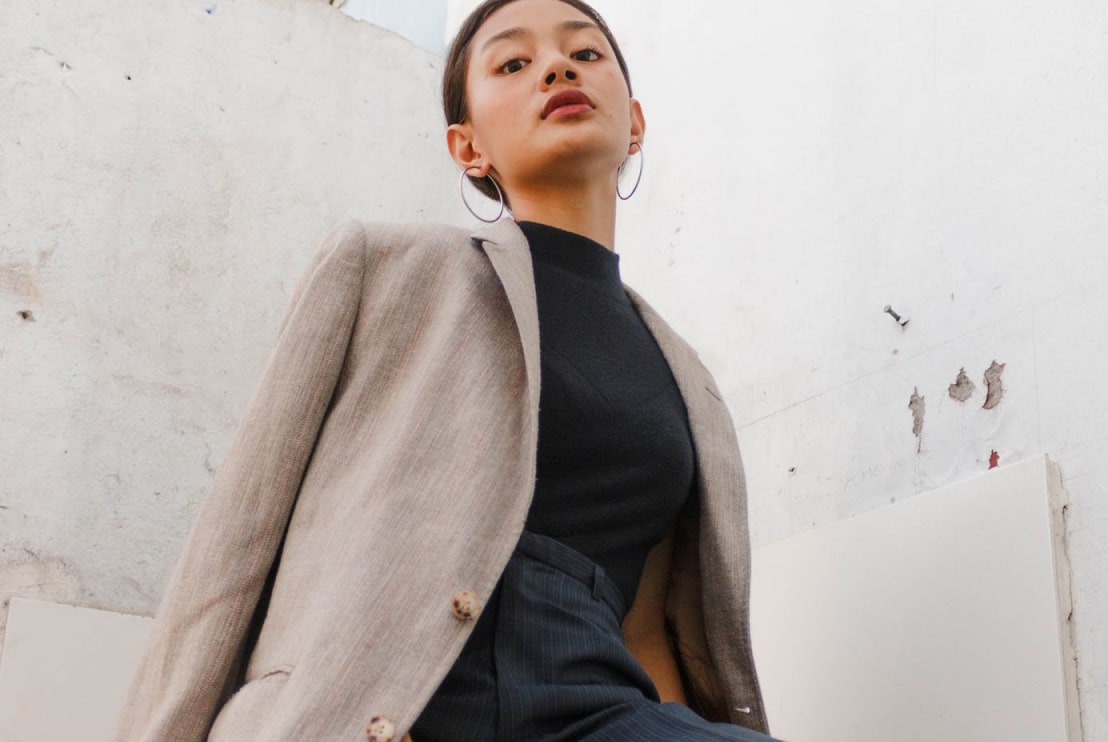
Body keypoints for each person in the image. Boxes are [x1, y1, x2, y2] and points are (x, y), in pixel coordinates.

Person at [111, 0, 778, 740]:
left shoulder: (684, 379)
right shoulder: (387, 268)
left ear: (636, 125)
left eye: (585, 54)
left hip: (589, 709)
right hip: (377, 705)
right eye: (513, 63)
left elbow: (646, 627)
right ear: (467, 148)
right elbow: (237, 539)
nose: (557, 68)